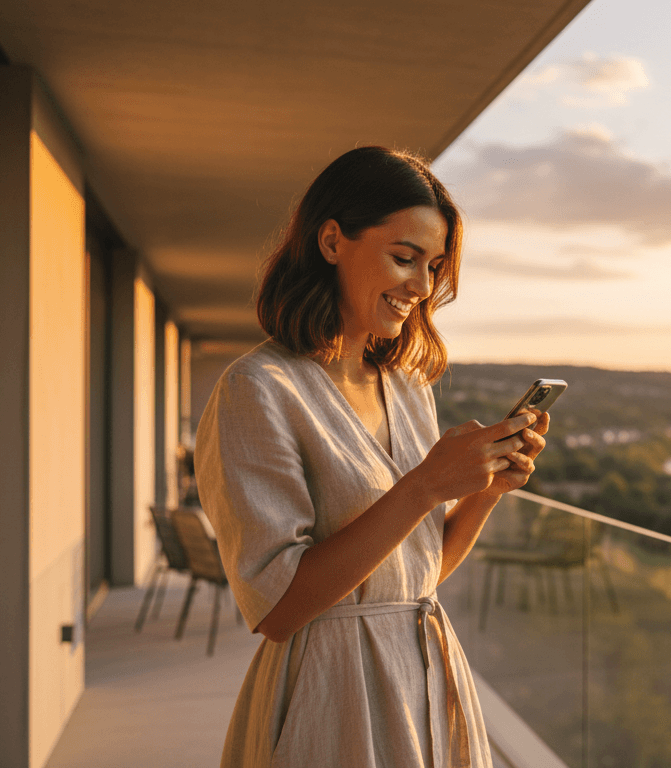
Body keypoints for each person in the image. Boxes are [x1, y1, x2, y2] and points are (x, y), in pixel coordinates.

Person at [194, 146, 548, 767]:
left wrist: (485, 490)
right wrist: (425, 485)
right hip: (332, 692)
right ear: (332, 241)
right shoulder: (259, 390)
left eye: (434, 265)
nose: (422, 285)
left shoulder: (408, 388)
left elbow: (415, 573)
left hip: (427, 672)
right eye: (404, 257)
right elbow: (276, 609)